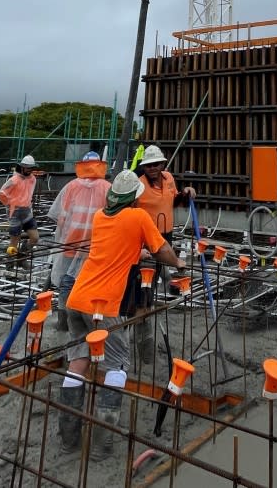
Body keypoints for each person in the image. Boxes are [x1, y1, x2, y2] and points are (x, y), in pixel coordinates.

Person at [60, 169, 185, 452]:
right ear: (134, 200)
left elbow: (117, 244)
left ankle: (69, 438)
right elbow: (161, 249)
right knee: (115, 365)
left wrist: (136, 250)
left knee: (78, 362)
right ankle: (101, 444)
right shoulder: (139, 217)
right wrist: (177, 263)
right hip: (104, 304)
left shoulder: (100, 217)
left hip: (77, 299)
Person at [134, 144, 196, 360]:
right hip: (146, 241)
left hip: (165, 236)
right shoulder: (139, 185)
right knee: (145, 284)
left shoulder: (169, 178)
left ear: (162, 165)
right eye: (148, 165)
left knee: (156, 275)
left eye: (156, 164)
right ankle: (142, 333)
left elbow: (174, 200)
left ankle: (155, 293)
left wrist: (186, 194)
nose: (152, 168)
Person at [47, 152, 110, 330]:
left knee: (66, 282)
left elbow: (61, 218)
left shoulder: (71, 186)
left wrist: (60, 240)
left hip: (70, 242)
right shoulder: (107, 187)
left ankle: (63, 321)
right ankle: (87, 320)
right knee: (90, 282)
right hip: (94, 244)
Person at [0, 155, 40, 265]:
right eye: (27, 167)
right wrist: (9, 204)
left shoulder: (32, 179)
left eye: (31, 168)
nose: (29, 170)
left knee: (35, 237)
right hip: (15, 213)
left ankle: (22, 257)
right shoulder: (14, 180)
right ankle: (10, 262)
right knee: (14, 242)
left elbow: (29, 194)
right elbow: (2, 193)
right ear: (21, 167)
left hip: (26, 213)